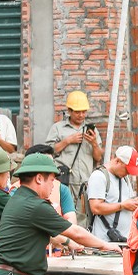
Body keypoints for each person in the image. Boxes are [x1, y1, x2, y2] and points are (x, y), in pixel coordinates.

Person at [0, 153, 121, 275]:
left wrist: (67, 243)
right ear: (39, 178)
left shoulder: (18, 198)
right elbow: (75, 231)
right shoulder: (35, 205)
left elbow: (44, 233)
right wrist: (105, 245)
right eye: (51, 180)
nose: (53, 186)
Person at [45, 90, 104, 218]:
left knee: (85, 218)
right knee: (64, 214)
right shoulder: (58, 128)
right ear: (69, 111)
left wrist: (94, 143)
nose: (81, 115)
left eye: (84, 111)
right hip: (64, 181)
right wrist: (67, 141)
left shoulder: (91, 130)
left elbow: (98, 157)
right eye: (77, 112)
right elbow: (47, 152)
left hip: (85, 182)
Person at [87, 145, 138, 243]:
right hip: (104, 241)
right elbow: (95, 207)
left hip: (124, 240)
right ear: (117, 161)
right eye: (127, 169)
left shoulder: (124, 178)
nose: (128, 173)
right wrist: (123, 205)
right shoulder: (99, 176)